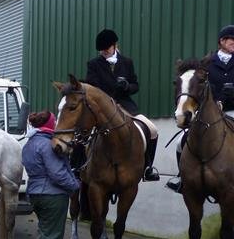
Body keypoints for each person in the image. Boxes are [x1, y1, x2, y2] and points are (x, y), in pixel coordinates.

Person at [86, 29, 160, 181]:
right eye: (101, 50)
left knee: (153, 130)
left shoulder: (127, 62)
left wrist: (127, 86)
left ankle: (147, 168)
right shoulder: (93, 64)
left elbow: (135, 85)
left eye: (107, 48)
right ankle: (78, 167)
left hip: (126, 106)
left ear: (114, 45)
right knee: (84, 133)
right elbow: (92, 86)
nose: (104, 52)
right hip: (103, 108)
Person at [167, 24, 234, 192]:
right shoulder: (207, 64)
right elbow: (199, 87)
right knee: (180, 142)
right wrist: (217, 99)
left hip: (233, 110)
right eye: (232, 40)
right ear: (222, 41)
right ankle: (182, 178)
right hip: (210, 110)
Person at [21, 111, 81, 239]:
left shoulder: (30, 143)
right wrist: (75, 185)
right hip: (52, 195)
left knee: (46, 232)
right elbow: (57, 173)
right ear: (50, 125)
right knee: (50, 235)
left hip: (35, 193)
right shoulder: (48, 145)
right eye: (55, 122)